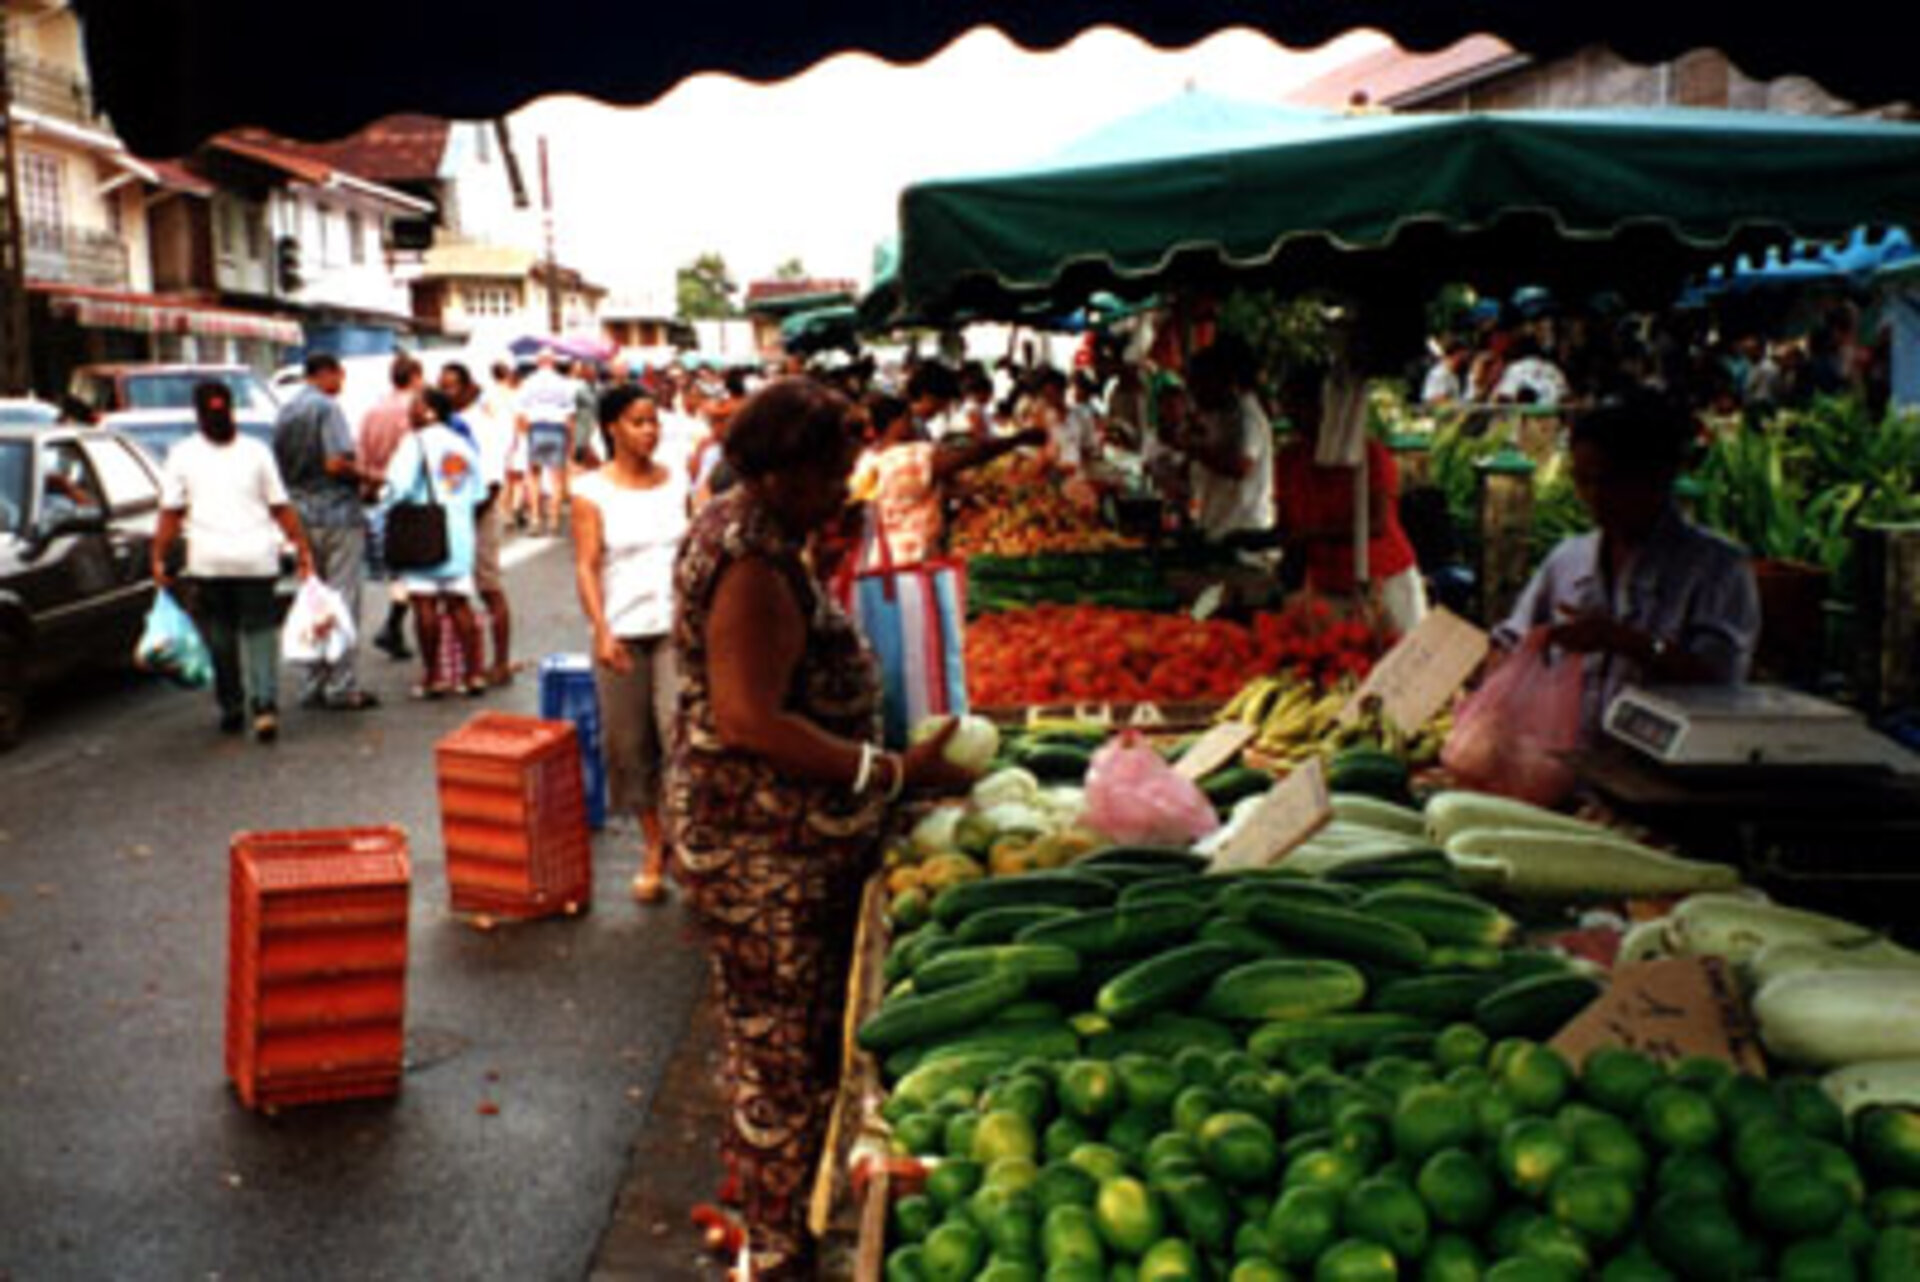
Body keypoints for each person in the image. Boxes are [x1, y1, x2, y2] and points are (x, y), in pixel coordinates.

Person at [665, 378, 975, 1280]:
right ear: (785, 470)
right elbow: (749, 718)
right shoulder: (752, 561)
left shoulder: (755, 529)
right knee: (781, 1055)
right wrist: (887, 771)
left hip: (777, 838)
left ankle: (777, 1222)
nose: (847, 486)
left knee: (780, 1045)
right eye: (834, 471)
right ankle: (775, 1251)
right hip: (763, 849)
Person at [1495, 392, 1761, 743]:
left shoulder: (1717, 569)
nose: (1594, 496)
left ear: (1657, 477)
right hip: (1560, 766)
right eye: (1583, 480)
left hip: (1656, 778)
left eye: (1609, 481)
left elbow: (1720, 681)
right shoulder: (1567, 559)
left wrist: (1622, 640)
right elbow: (1508, 641)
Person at [571, 385, 688, 903]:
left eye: (654, 421)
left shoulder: (679, 482)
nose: (650, 431)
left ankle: (687, 846)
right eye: (639, 422)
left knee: (677, 732)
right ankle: (653, 846)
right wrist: (600, 628)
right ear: (613, 427)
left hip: (678, 628)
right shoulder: (592, 491)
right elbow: (587, 564)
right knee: (628, 745)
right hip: (622, 630)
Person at [153, 382, 315, 742]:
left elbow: (171, 513)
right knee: (259, 632)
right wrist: (301, 547)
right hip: (256, 559)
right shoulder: (256, 452)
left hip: (209, 563)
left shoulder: (182, 455)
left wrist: (159, 556)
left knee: (221, 636)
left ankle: (231, 706)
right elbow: (280, 506)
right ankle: (265, 706)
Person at [1272, 362, 1428, 633]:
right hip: (1327, 585)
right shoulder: (1288, 460)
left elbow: (1376, 524)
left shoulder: (1370, 455)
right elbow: (1287, 529)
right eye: (1288, 405)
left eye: (1300, 404)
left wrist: (1312, 534)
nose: (1293, 414)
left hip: (1386, 581)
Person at [273, 352, 378, 711]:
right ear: (328, 373)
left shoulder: (286, 411)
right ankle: (341, 684)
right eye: (340, 377)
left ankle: (311, 680)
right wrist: (366, 476)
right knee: (343, 600)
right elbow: (336, 462)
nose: (342, 384)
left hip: (301, 514)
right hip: (336, 513)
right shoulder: (327, 408)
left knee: (311, 600)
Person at [852, 392, 1044, 568]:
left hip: (879, 555)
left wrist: (968, 491)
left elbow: (905, 493)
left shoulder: (866, 460)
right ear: (896, 422)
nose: (912, 424)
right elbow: (972, 455)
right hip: (915, 555)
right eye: (908, 418)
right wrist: (1016, 439)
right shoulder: (913, 455)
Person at [380, 387, 488, 698]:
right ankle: (473, 674)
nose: (409, 412)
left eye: (415, 406)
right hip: (459, 533)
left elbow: (397, 488)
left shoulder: (414, 443)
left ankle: (434, 676)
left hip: (424, 532)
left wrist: (377, 496)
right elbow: (479, 493)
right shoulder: (462, 444)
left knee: (424, 604)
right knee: (460, 604)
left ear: (430, 412)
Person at [442, 362, 514, 687]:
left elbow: (492, 482)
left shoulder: (481, 424)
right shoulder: (447, 424)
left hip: (480, 513)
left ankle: (499, 663)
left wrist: (467, 518)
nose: (446, 393)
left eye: (451, 386)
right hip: (456, 514)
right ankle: (469, 665)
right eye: (442, 386)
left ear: (468, 387)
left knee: (488, 588)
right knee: (455, 594)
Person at [1171, 336, 1276, 543]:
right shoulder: (1219, 414)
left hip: (1242, 531)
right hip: (1216, 526)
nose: (1194, 392)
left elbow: (1240, 466)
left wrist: (1194, 449)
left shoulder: (1247, 415)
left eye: (1198, 384)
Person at [357, 352, 424, 661]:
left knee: (397, 567)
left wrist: (368, 487)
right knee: (416, 567)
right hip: (408, 494)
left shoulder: (372, 411)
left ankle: (393, 628)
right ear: (414, 378)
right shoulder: (415, 411)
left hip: (376, 491)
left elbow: (362, 454)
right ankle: (394, 626)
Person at [515, 349, 576, 535]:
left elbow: (520, 411)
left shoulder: (528, 382)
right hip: (557, 429)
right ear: (554, 362)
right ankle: (554, 519)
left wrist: (522, 435)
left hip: (536, 428)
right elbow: (570, 413)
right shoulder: (563, 384)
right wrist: (571, 439)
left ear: (538, 362)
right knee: (556, 477)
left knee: (534, 475)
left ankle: (535, 518)